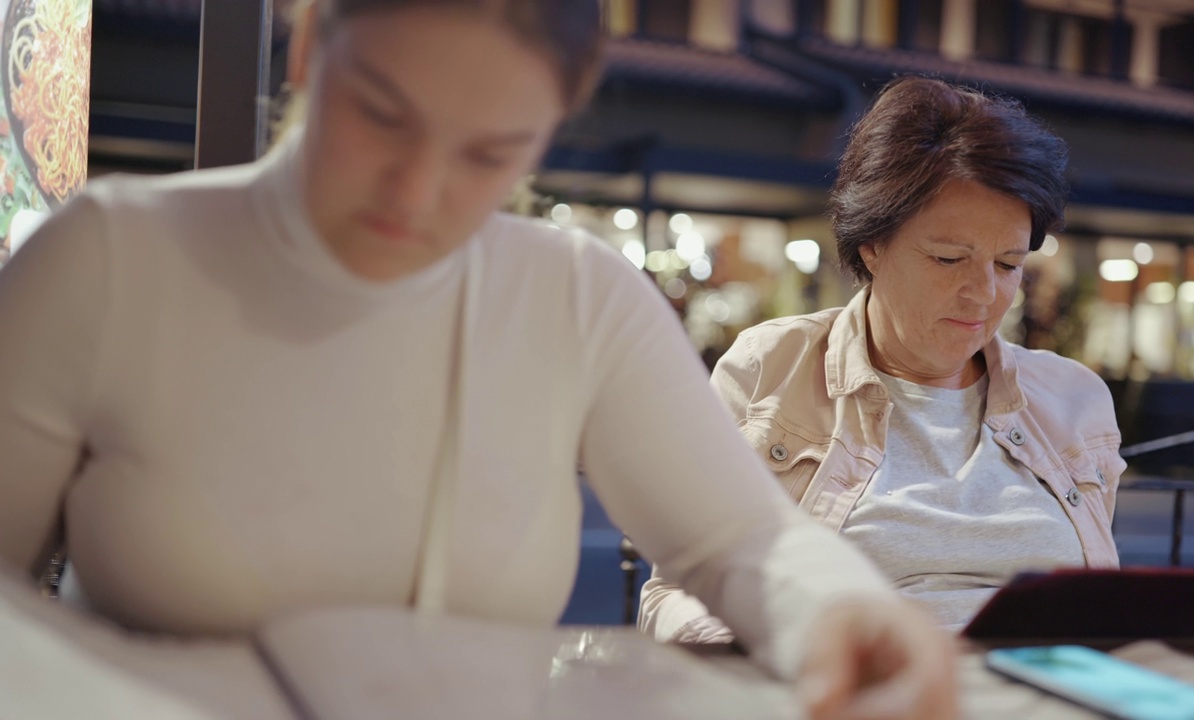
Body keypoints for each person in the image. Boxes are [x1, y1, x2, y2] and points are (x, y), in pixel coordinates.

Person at [0, 2, 956, 718]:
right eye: (381, 115)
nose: (415, 193)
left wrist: (839, 610)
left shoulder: (573, 293)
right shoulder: (109, 258)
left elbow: (738, 542)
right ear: (309, 46)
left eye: (489, 153)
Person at [640, 77, 1124, 643]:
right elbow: (675, 595)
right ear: (873, 244)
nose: (984, 292)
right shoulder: (773, 368)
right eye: (949, 259)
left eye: (1009, 264)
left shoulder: (1072, 399)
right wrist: (785, 650)